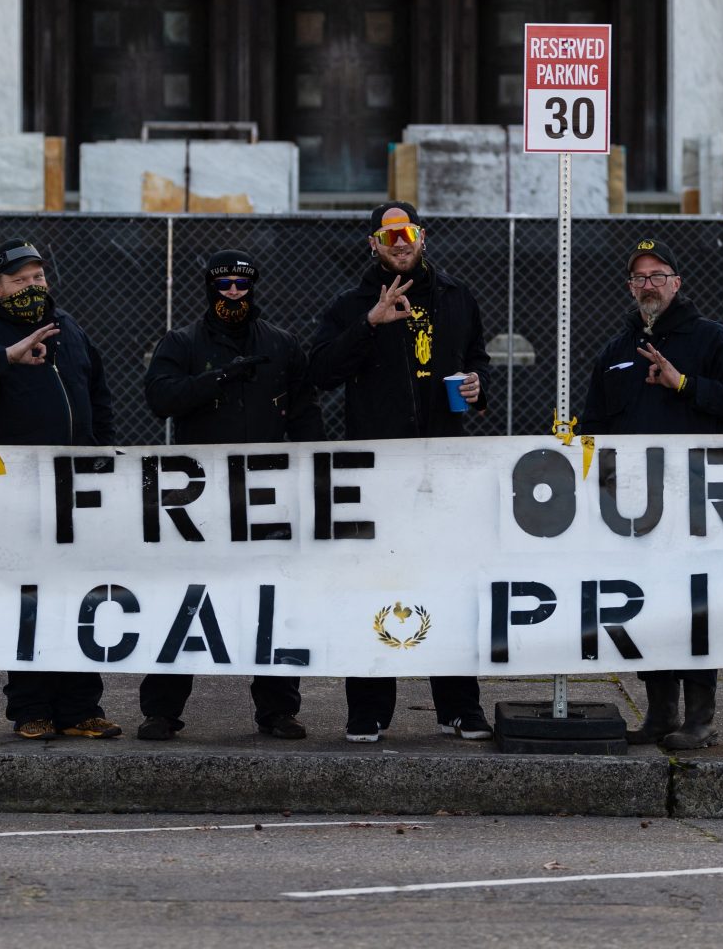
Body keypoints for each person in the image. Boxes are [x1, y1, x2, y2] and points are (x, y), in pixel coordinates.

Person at [307, 201, 495, 743]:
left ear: (422, 237)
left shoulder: (457, 297)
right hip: (377, 470)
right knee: (373, 585)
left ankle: (459, 707)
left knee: (449, 583)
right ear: (373, 244)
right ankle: (368, 709)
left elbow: (478, 358)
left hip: (443, 466)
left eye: (406, 231)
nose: (398, 241)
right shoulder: (351, 304)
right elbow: (319, 370)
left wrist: (479, 386)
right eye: (387, 234)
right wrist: (370, 323)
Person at [0, 238, 123, 742]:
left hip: (77, 489)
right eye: (20, 279)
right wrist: (4, 358)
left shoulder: (71, 329)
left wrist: (100, 449)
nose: (33, 285)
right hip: (18, 491)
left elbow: (97, 391)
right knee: (30, 599)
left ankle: (82, 708)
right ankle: (30, 708)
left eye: (38, 277)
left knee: (78, 595)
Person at [579, 236, 723, 751]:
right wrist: (601, 479)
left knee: (695, 606)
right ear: (630, 288)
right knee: (648, 603)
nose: (649, 285)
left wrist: (684, 384)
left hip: (695, 503)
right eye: (639, 277)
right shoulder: (615, 351)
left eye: (658, 275)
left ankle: (700, 718)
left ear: (677, 283)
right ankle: (660, 713)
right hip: (635, 508)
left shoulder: (709, 338)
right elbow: (594, 426)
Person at [140, 249, 322, 742]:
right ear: (209, 287)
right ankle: (161, 710)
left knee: (272, 597)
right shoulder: (181, 342)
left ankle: (278, 710)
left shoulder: (282, 344)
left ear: (254, 287)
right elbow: (160, 398)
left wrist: (311, 474)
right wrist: (221, 376)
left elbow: (306, 413)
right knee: (185, 599)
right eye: (225, 286)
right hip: (197, 501)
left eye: (243, 285)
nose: (234, 294)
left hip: (266, 495)